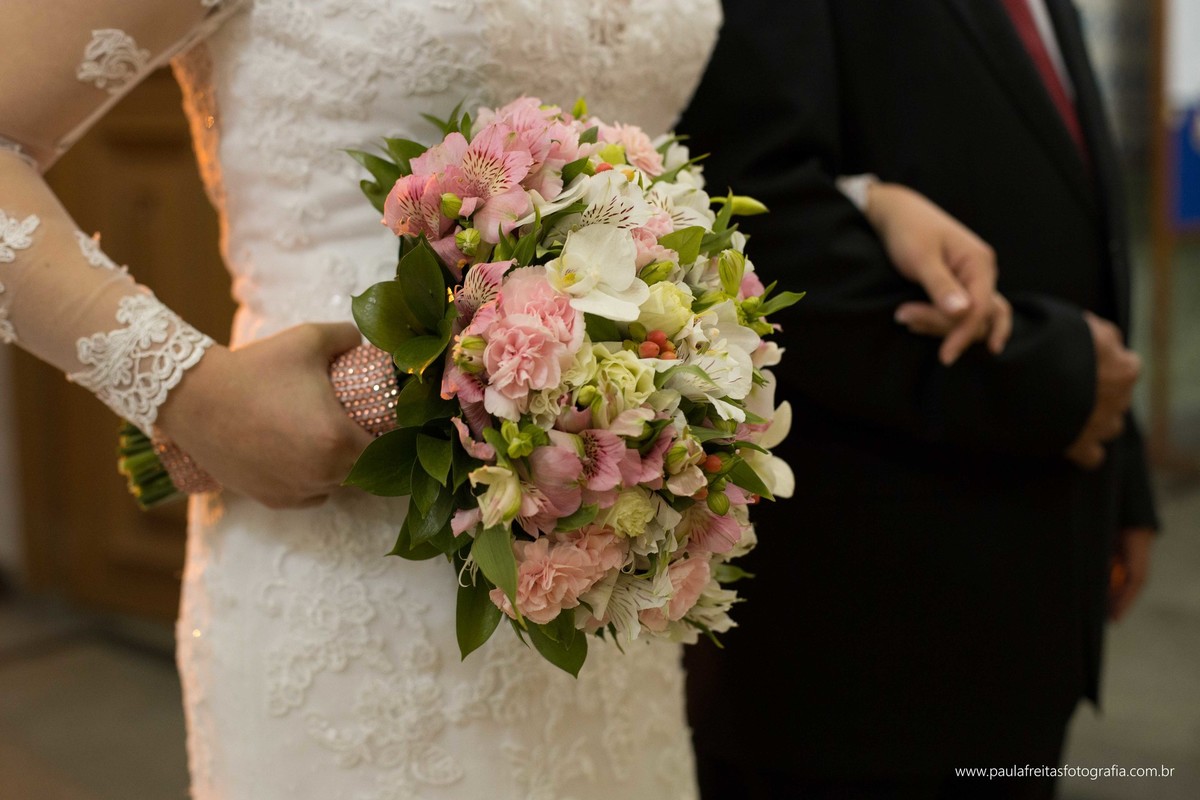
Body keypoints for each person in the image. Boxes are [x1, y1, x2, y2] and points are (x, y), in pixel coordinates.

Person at [2, 2, 1009, 797]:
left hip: (595, 560)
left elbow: (643, 139)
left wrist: (867, 199)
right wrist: (184, 386)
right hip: (346, 546)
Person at [679, 0, 1158, 797]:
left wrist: (1121, 455)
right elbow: (751, 210)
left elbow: (1069, 197)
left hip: (1034, 562)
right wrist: (1052, 383)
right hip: (866, 631)